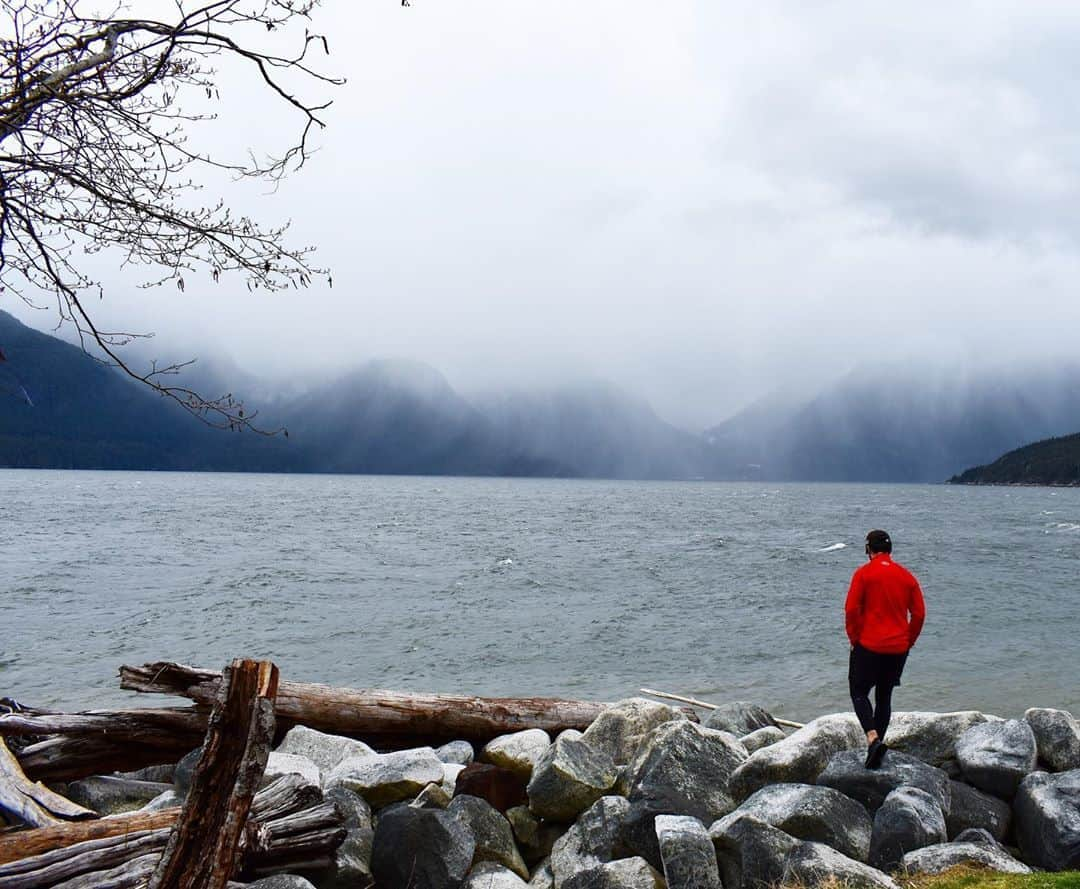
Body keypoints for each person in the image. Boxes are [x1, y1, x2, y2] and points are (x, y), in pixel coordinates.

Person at [844, 529, 925, 769]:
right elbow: (919, 614)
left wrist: (854, 637)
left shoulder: (864, 574)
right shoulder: (907, 576)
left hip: (868, 645)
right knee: (884, 696)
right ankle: (876, 750)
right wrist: (908, 641)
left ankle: (872, 738)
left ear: (869, 549)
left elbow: (851, 610)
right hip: (898, 648)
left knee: (859, 692)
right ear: (890, 550)